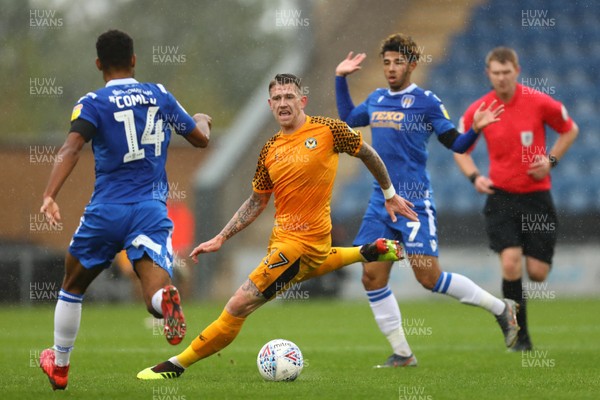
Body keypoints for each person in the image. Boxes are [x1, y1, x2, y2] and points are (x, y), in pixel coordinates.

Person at [136, 73, 418, 380]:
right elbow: (256, 202)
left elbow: (367, 152)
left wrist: (390, 195)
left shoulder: (329, 130)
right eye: (278, 99)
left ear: (302, 101)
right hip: (293, 245)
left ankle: (177, 365)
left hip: (299, 245)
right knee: (311, 264)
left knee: (238, 304)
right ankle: (368, 251)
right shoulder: (270, 149)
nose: (284, 103)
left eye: (289, 97)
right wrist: (221, 237)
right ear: (270, 105)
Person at [38, 29, 211, 390]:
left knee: (72, 286)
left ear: (99, 64)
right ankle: (166, 300)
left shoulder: (93, 102)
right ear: (134, 60)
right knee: (151, 292)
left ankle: (61, 364)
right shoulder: (158, 95)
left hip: (106, 210)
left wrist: (50, 194)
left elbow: (71, 149)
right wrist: (203, 119)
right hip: (149, 209)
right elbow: (199, 139)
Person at [333, 33, 519, 367]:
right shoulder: (376, 99)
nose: (391, 68)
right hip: (381, 201)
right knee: (371, 276)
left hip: (415, 203)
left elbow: (457, 145)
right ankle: (403, 354)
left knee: (428, 278)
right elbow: (348, 120)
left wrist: (475, 129)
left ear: (413, 65)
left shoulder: (426, 102)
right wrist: (340, 78)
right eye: (386, 62)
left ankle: (501, 308)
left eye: (398, 62)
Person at [454, 47, 578, 351]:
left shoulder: (538, 102)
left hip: (536, 196)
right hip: (500, 197)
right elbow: (460, 148)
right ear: (488, 74)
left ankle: (519, 322)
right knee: (510, 263)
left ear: (516, 71)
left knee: (537, 273)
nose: (501, 78)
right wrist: (475, 177)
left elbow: (570, 129)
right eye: (495, 73)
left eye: (506, 72)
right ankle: (519, 336)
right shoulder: (479, 109)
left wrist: (551, 161)